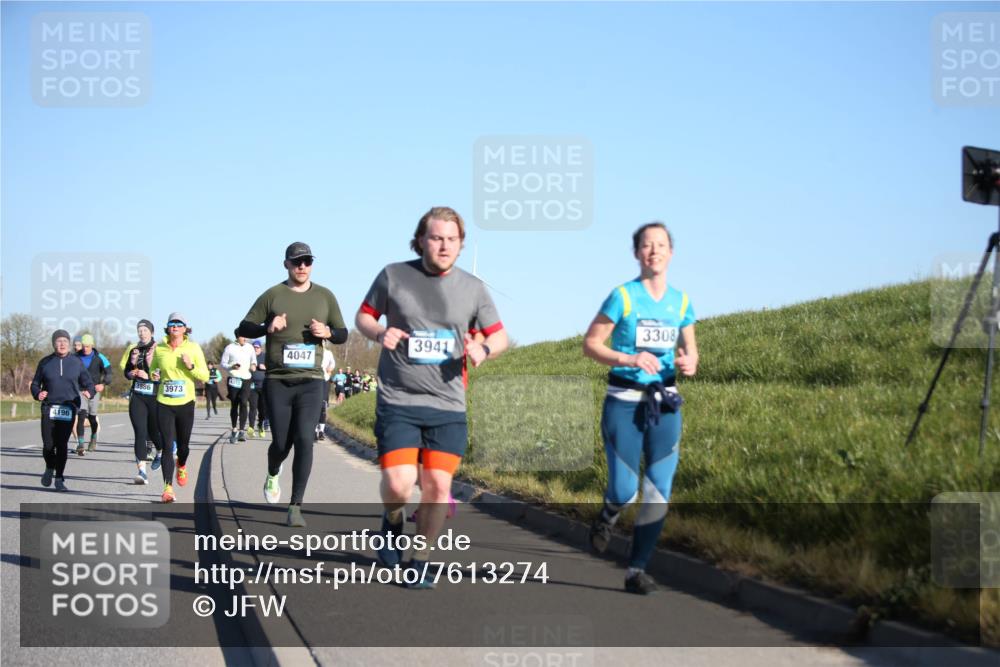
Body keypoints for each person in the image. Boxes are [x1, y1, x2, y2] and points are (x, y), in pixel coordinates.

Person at [355, 206, 508, 588]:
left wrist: (484, 350)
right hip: (400, 400)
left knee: (438, 487)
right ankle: (391, 521)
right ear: (421, 239)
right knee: (398, 483)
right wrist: (379, 334)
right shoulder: (394, 276)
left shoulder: (473, 289)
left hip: (448, 405)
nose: (443, 246)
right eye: (436, 237)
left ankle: (420, 559)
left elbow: (499, 335)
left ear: (460, 244)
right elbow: (364, 316)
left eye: (451, 239)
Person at [582, 222, 699, 595]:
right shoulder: (624, 297)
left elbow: (691, 350)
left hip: (665, 403)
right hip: (623, 402)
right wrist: (629, 358)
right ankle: (609, 514)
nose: (654, 251)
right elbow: (591, 344)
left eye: (661, 245)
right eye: (647, 245)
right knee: (624, 488)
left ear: (671, 252)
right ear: (637, 253)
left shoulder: (681, 303)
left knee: (658, 489)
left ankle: (637, 569)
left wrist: (690, 362)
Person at [237, 242, 347, 528]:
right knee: (282, 442)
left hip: (311, 380)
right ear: (286, 264)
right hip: (278, 380)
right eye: (297, 262)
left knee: (305, 439)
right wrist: (267, 326)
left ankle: (295, 506)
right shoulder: (273, 295)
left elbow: (343, 333)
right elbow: (242, 329)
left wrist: (328, 332)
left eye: (307, 261)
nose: (302, 266)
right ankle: (273, 469)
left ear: (312, 264)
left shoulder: (325, 296)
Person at [152, 313, 209, 503]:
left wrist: (190, 365)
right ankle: (168, 488)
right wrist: (154, 375)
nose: (175, 327)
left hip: (185, 403)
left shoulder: (193, 348)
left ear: (185, 328)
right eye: (171, 324)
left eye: (179, 324)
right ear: (167, 328)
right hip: (164, 402)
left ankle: (182, 465)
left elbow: (205, 376)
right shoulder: (159, 348)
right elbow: (153, 369)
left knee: (183, 447)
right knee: (168, 446)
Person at [30, 330, 96, 491]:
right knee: (47, 445)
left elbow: (88, 383)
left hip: (68, 407)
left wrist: (90, 391)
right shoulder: (45, 362)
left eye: (65, 341)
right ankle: (50, 467)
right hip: (49, 407)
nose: (62, 344)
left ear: (69, 344)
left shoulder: (76, 362)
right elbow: (35, 384)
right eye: (59, 341)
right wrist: (38, 393)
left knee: (61, 444)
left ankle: (59, 478)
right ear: (54, 344)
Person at [119, 319, 165, 485]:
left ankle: (160, 451)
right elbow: (126, 371)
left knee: (153, 432)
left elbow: (164, 372)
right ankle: (141, 472)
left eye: (145, 330)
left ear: (151, 332)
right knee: (140, 432)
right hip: (137, 394)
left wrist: (150, 376)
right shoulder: (134, 350)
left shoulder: (160, 349)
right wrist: (131, 374)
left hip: (154, 395)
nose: (142, 333)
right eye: (139, 330)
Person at [74, 333, 112, 455]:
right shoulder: (75, 357)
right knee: (81, 415)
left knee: (92, 417)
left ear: (92, 345)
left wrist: (103, 384)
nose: (85, 349)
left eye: (88, 346)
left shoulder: (100, 357)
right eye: (83, 346)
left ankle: (94, 436)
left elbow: (109, 372)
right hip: (80, 390)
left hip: (94, 390)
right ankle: (80, 444)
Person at [221, 332, 257, 443]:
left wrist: (253, 365)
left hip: (246, 378)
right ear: (237, 337)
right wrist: (231, 366)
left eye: (246, 336)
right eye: (243, 336)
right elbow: (223, 363)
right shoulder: (229, 348)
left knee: (243, 402)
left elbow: (253, 360)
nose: (245, 339)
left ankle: (242, 431)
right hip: (234, 379)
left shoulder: (250, 347)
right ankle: (234, 429)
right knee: (235, 403)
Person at [316, 342, 336, 441]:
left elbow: (333, 363)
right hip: (314, 379)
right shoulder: (313, 350)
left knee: (322, 407)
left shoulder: (328, 353)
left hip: (325, 380)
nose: (322, 343)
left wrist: (329, 369)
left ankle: (321, 431)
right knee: (314, 406)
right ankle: (314, 430)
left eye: (323, 341)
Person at [248, 340, 268, 437]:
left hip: (263, 386)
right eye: (254, 347)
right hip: (252, 386)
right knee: (253, 408)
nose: (256, 349)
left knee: (262, 409)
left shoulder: (265, 356)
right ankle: (251, 428)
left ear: (260, 348)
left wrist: (265, 367)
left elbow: (272, 367)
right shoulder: (249, 357)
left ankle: (260, 426)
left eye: (257, 347)